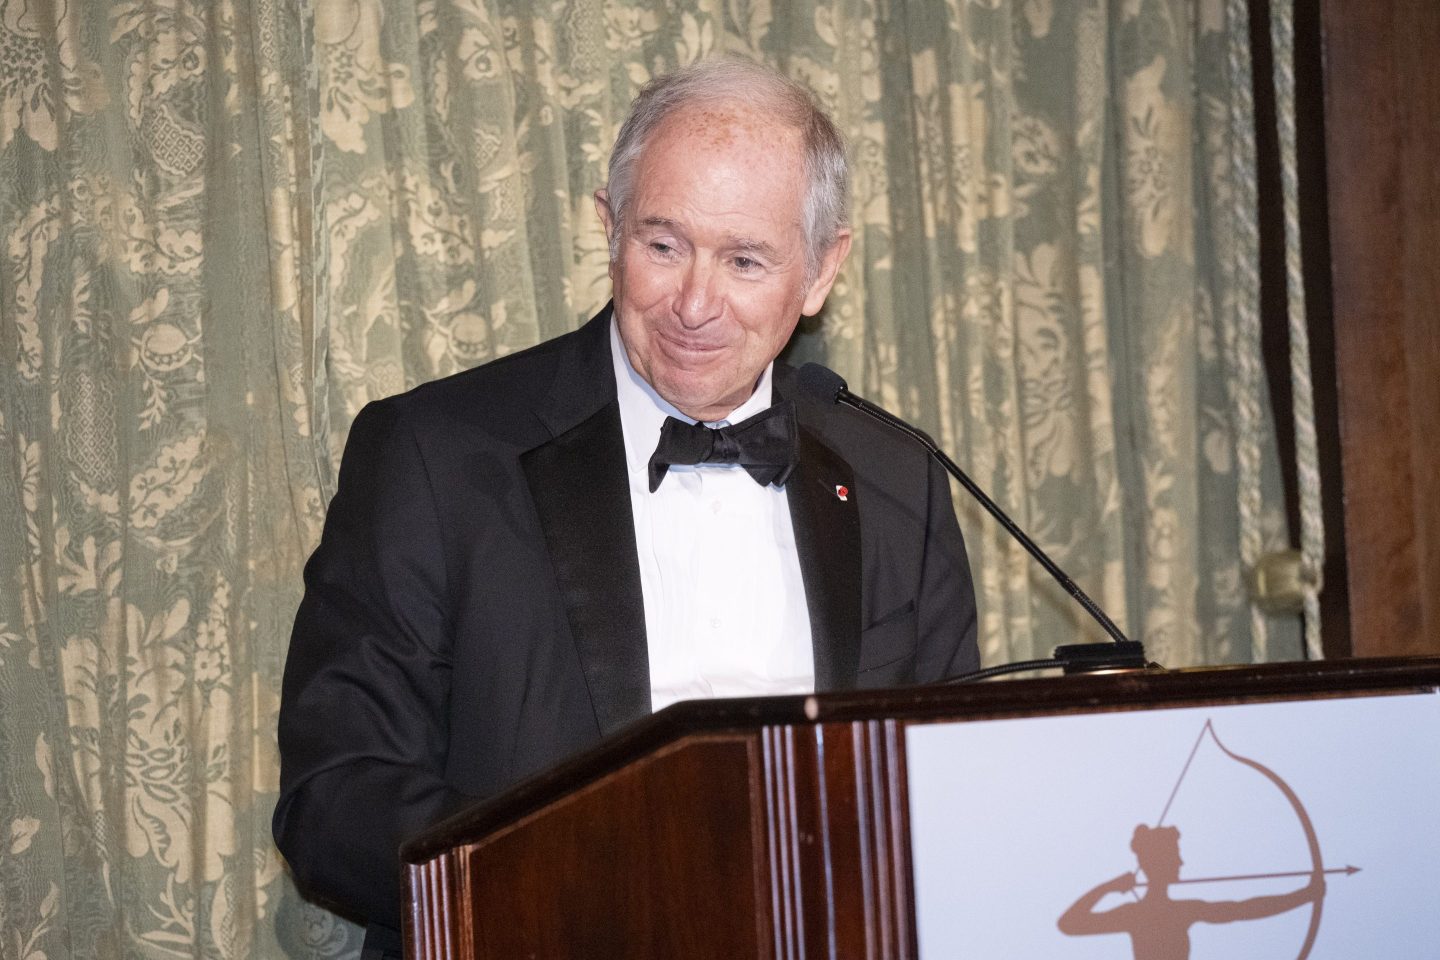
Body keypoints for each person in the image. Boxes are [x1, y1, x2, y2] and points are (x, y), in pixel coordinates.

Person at [273, 56, 978, 956]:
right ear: (608, 227)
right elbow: (336, 796)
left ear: (820, 271)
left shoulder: (895, 480)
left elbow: (946, 790)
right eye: (663, 245)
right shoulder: (437, 454)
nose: (695, 303)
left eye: (746, 260)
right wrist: (602, 876)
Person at [1057, 824, 1325, 959]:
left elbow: (1244, 909)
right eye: (1175, 856)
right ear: (1158, 862)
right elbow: (1069, 924)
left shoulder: (1168, 911)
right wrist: (1108, 887)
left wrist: (1305, 895)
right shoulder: (1146, 914)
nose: (1181, 862)